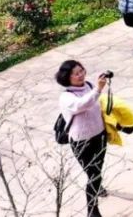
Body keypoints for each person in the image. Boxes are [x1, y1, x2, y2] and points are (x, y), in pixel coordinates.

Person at [56, 60, 109, 217]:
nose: (80, 75)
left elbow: (98, 106)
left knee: (97, 169)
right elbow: (81, 105)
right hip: (81, 141)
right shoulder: (66, 97)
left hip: (99, 135)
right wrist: (98, 89)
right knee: (94, 174)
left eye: (81, 71)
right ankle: (92, 211)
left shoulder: (90, 86)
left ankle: (97, 187)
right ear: (67, 77)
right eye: (75, 73)